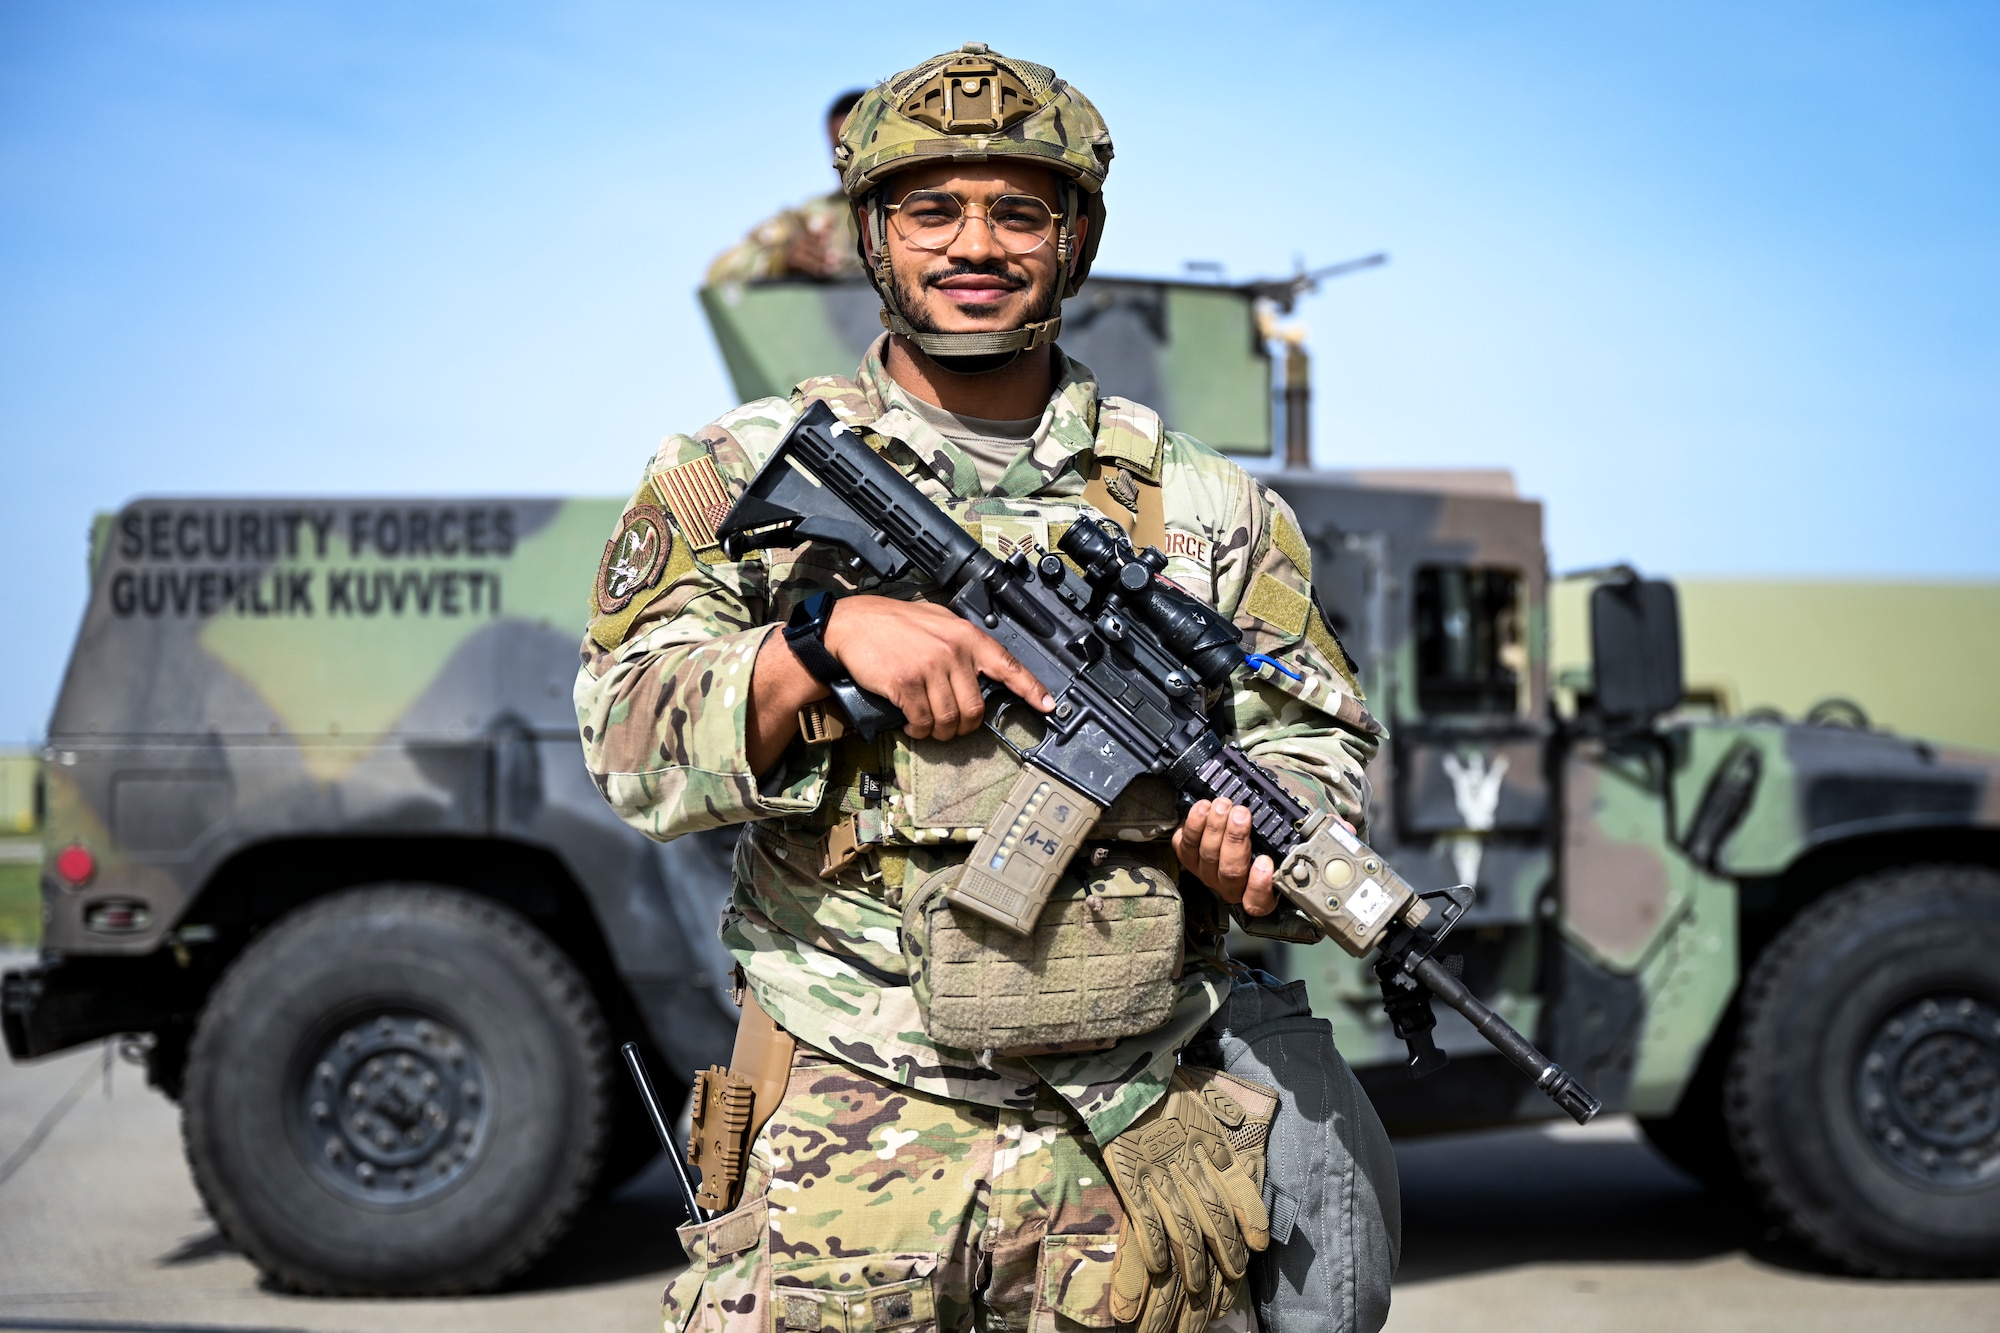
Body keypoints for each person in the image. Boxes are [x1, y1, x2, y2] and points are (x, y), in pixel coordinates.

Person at [579, 43, 1397, 1333]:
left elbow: (1312, 735)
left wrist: (1265, 837)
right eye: (932, 210)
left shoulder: (1206, 503)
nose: (975, 244)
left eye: (1019, 210)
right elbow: (626, 743)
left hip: (1129, 1160)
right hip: (832, 1151)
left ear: (1074, 238)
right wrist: (822, 641)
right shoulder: (730, 468)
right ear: (872, 234)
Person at [704, 88, 868, 285]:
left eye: (857, 147)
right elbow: (719, 271)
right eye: (838, 150)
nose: (845, 161)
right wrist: (783, 260)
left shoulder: (908, 203)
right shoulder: (813, 218)